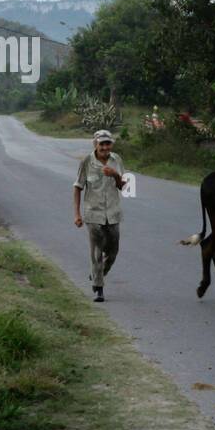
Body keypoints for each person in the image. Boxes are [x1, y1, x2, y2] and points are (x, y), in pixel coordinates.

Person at [73, 129, 125, 302]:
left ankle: (98, 274)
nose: (104, 147)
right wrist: (77, 214)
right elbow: (78, 187)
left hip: (113, 213)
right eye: (101, 143)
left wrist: (115, 174)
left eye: (107, 143)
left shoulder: (116, 160)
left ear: (111, 144)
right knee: (96, 251)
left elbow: (122, 186)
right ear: (95, 144)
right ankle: (99, 289)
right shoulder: (87, 161)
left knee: (114, 251)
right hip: (93, 214)